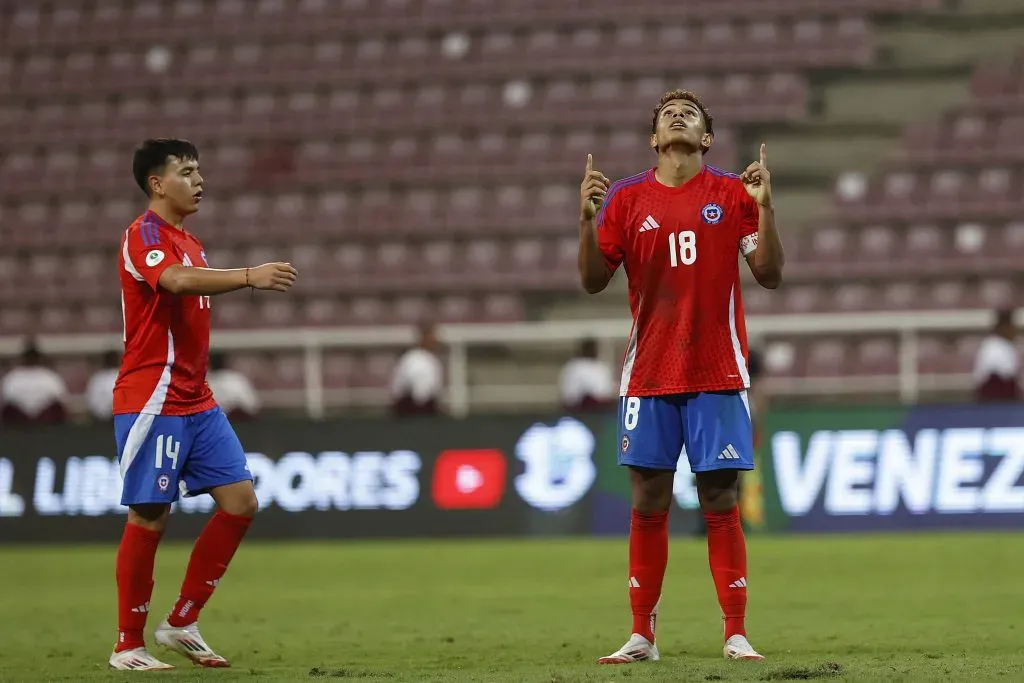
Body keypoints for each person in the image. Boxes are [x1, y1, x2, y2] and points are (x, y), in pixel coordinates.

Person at [578, 90, 784, 664]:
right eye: (667, 111)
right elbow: (594, 280)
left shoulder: (730, 193)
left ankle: (736, 633)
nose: (676, 114)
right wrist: (586, 221)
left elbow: (768, 272)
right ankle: (642, 634)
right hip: (649, 372)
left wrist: (766, 208)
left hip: (717, 369)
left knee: (720, 496)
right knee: (648, 498)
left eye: (689, 111)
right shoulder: (624, 198)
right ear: (653, 138)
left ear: (706, 137)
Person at [109, 138, 297, 671]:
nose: (199, 181)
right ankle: (128, 645)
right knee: (150, 516)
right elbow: (172, 281)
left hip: (198, 397)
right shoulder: (143, 235)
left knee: (241, 502)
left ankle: (182, 622)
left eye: (200, 171)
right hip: (154, 396)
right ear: (156, 184)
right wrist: (248, 275)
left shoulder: (191, 241)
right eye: (187, 172)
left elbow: (188, 275)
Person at [0, 339, 69, 425]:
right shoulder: (12, 377)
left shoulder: (50, 377)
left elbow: (60, 405)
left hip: (47, 425)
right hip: (18, 427)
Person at [391, 323, 444, 416]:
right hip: (412, 410)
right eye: (431, 337)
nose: (434, 340)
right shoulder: (413, 359)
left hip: (427, 407)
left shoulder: (431, 359)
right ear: (423, 338)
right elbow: (418, 393)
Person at [973, 309, 1020, 403]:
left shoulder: (1009, 346)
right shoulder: (991, 346)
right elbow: (994, 378)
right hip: (994, 397)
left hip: (1007, 396)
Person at [559, 338, 616, 411]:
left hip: (601, 408)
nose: (592, 350)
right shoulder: (573, 367)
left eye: (593, 348)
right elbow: (569, 393)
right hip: (578, 408)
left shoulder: (602, 367)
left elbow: (607, 391)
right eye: (589, 348)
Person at [207, 352, 261, 420]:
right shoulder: (206, 381)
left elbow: (254, 409)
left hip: (243, 423)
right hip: (219, 422)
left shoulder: (237, 378)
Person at [85, 350, 121, 422]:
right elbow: (91, 401)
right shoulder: (97, 378)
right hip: (100, 421)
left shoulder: (123, 376)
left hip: (118, 418)